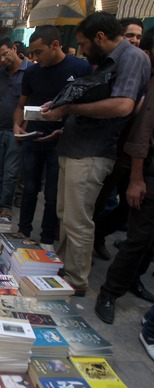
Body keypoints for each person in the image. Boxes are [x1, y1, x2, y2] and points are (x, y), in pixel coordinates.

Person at [40, 12, 150, 296]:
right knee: (66, 214)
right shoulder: (106, 61)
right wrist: (65, 119)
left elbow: (123, 106)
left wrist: (69, 109)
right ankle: (65, 267)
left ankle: (75, 279)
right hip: (76, 146)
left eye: (84, 44)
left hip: (92, 152)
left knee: (78, 219)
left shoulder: (132, 58)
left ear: (100, 37)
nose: (84, 50)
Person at [13, 25, 92, 252]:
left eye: (39, 52)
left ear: (55, 45)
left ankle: (47, 238)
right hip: (34, 138)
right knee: (29, 189)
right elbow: (22, 105)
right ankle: (23, 231)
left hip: (62, 142)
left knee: (53, 195)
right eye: (32, 53)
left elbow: (85, 106)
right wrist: (17, 125)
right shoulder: (32, 72)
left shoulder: (80, 68)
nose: (35, 58)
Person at [95, 74, 154, 324]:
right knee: (137, 238)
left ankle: (134, 279)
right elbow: (142, 134)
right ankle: (110, 292)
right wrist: (137, 178)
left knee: (149, 243)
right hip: (146, 170)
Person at [0, 38, 32, 219]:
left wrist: (23, 127)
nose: (2, 60)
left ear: (14, 49)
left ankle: (6, 205)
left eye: (5, 54)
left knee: (11, 171)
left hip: (17, 130)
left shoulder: (30, 72)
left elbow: (30, 104)